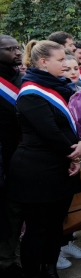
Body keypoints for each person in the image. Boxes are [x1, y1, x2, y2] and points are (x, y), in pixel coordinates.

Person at [9, 40, 81, 278]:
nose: (66, 64)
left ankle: (50, 268)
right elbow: (51, 132)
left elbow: (75, 123)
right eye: (61, 60)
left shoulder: (60, 87)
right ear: (44, 62)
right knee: (38, 228)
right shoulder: (31, 92)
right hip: (37, 171)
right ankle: (35, 272)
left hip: (61, 167)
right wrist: (75, 155)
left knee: (55, 226)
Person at [0, 35, 23, 277]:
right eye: (10, 49)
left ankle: (10, 259)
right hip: (3, 155)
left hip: (19, 157)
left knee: (14, 211)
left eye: (18, 48)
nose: (17, 52)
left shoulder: (19, 77)